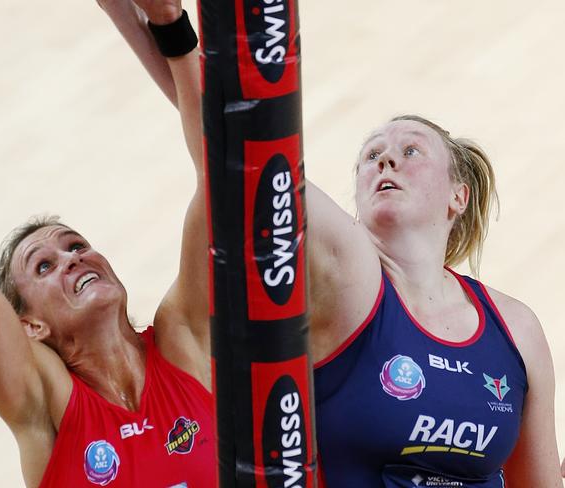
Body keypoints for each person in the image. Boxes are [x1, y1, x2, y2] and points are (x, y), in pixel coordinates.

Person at [121, 0, 563, 485]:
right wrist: (167, 26)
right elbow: (236, 138)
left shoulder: (515, 329)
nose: (385, 162)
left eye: (409, 150)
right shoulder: (350, 274)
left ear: (458, 195)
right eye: (371, 157)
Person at [0, 0, 213, 486]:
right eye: (43, 266)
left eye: (76, 246)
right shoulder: (46, 400)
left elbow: (222, 177)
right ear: (29, 325)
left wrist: (172, 25)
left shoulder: (182, 339)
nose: (74, 260)